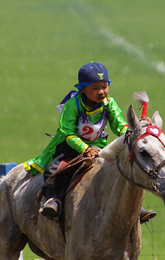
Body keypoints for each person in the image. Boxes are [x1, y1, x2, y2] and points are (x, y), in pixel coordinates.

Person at [23, 62, 154, 223]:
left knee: (123, 167)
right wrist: (84, 148)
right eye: (95, 88)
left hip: (99, 146)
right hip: (70, 146)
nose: (101, 92)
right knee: (55, 168)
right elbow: (67, 132)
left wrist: (135, 130)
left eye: (105, 87)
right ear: (82, 89)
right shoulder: (73, 105)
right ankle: (53, 199)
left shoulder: (109, 104)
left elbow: (120, 126)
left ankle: (135, 208)